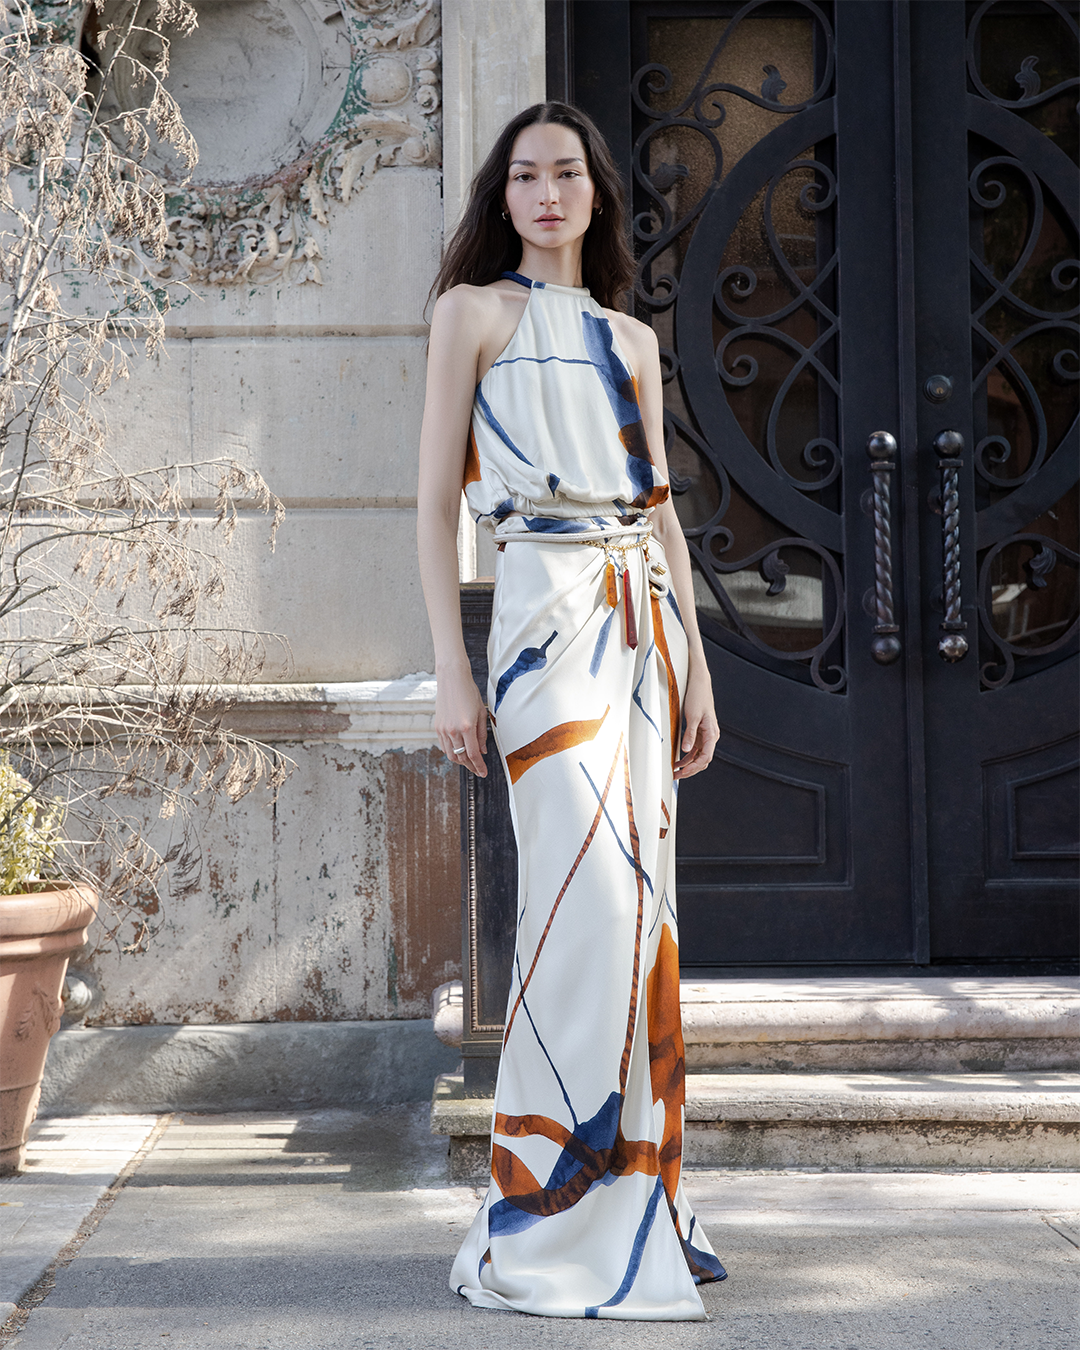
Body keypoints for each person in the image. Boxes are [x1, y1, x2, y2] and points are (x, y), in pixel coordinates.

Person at [416, 101, 726, 1321]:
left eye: (568, 175)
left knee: (641, 916)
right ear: (504, 197)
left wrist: (698, 660)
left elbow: (658, 516)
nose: (548, 193)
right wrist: (451, 662)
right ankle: (546, 1208)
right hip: (544, 628)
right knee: (580, 902)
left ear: (596, 196)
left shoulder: (629, 343)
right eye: (526, 176)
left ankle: (637, 1193)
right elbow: (434, 496)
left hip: (641, 633)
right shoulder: (471, 316)